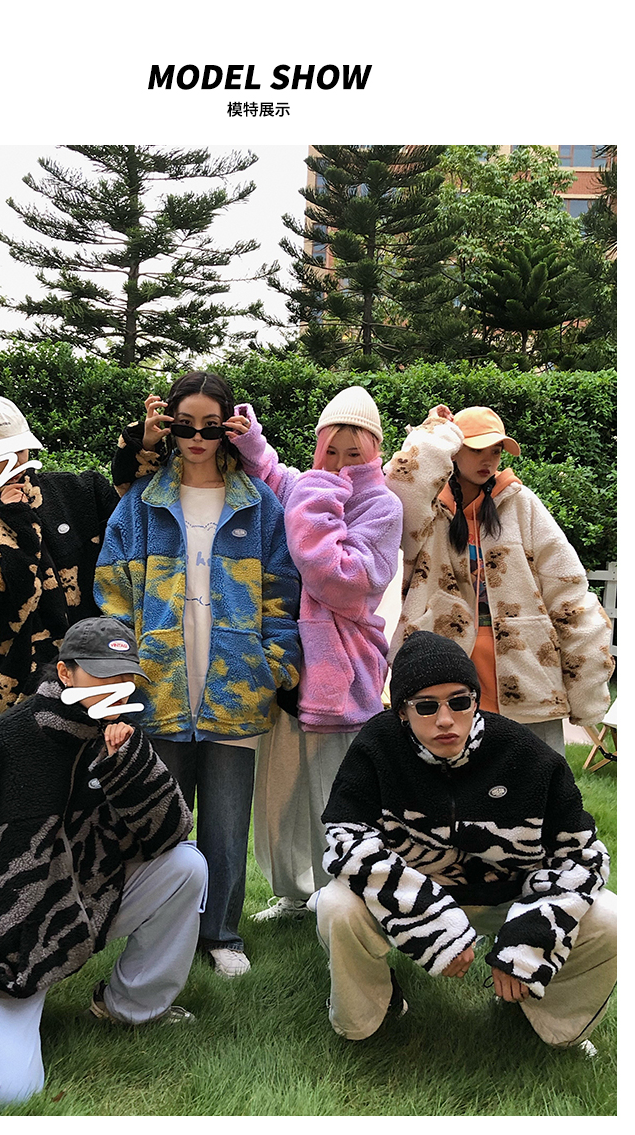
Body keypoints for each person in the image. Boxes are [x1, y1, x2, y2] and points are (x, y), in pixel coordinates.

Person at [0, 616, 208, 1105]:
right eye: (102, 674)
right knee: (5, 1092)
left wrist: (127, 765)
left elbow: (170, 833)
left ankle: (129, 1007)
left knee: (187, 867)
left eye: (126, 676)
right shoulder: (1, 742)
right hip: (4, 943)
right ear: (65, 672)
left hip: (84, 907)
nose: (117, 687)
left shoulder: (122, 735)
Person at [312, 630, 617, 1052]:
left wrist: (527, 942)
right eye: (426, 706)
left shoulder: (527, 756)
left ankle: (546, 1016)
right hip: (415, 893)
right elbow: (345, 839)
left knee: (611, 917)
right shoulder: (376, 747)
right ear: (402, 712)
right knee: (336, 905)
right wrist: (432, 924)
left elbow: (583, 858)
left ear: (475, 700)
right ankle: (369, 1016)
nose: (445, 719)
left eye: (459, 701)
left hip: (508, 896)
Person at [94, 371, 301, 977]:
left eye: (211, 427)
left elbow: (283, 593)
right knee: (162, 819)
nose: (198, 438)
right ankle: (162, 930)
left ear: (230, 431)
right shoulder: (141, 504)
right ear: (169, 428)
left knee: (227, 823)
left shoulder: (259, 504)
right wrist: (121, 675)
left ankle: (221, 934)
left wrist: (273, 665)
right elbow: (113, 596)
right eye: (186, 426)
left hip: (237, 686)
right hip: (158, 685)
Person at [226, 385, 403, 921]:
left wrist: (321, 492)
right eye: (331, 451)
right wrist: (252, 443)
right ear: (318, 446)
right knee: (280, 793)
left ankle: (342, 896)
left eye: (354, 453)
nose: (340, 464)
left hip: (344, 673)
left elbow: (343, 580)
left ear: (374, 452)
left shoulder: (383, 505)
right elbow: (273, 477)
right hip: (289, 666)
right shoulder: (305, 486)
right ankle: (293, 892)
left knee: (336, 794)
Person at [383, 404, 614, 755]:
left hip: (526, 664)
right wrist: (436, 432)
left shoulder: (521, 503)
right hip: (445, 662)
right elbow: (401, 484)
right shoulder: (428, 509)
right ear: (454, 450)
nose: (488, 460)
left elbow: (567, 586)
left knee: (535, 770)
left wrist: (586, 683)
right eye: (477, 449)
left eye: (495, 450)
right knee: (450, 775)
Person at [0, 395, 121, 725]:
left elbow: (139, 520)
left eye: (20, 450)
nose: (14, 462)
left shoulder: (79, 491)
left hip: (99, 675)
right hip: (17, 691)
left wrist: (139, 450)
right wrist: (13, 526)